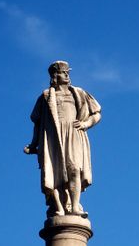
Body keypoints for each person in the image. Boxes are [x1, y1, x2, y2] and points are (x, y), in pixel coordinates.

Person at [25, 61, 101, 217]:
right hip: (53, 137)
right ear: (54, 76)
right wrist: (33, 144)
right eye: (63, 72)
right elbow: (38, 123)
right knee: (55, 172)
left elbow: (97, 113)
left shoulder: (78, 93)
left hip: (74, 134)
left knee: (74, 169)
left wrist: (86, 123)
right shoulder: (46, 96)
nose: (67, 75)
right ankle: (59, 207)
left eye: (68, 72)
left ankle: (74, 207)